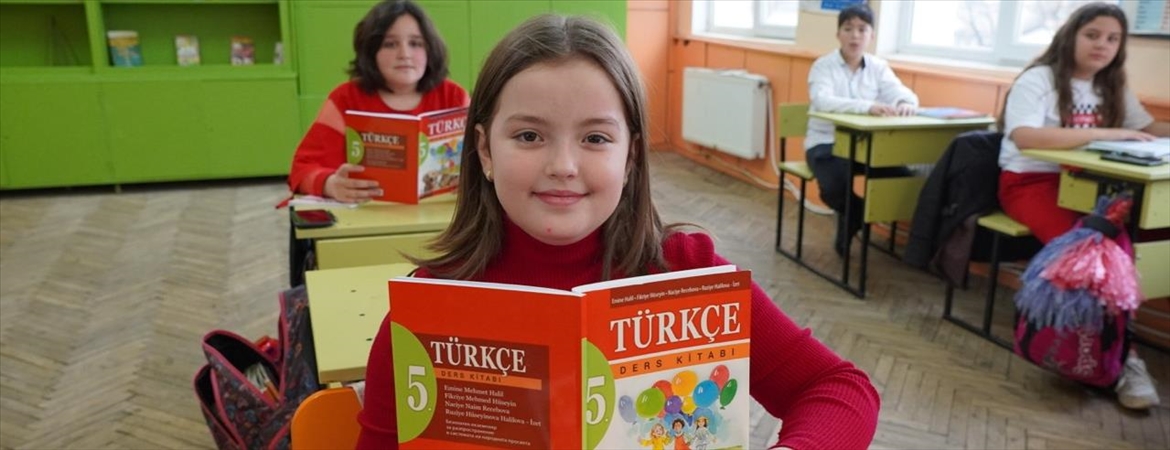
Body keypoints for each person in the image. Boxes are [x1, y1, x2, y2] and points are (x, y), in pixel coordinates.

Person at [356, 14, 880, 450]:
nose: (563, 166)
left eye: (596, 138)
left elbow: (839, 388)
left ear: (631, 156)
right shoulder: (427, 309)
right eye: (530, 135)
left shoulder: (686, 270)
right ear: (485, 151)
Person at [998, 2, 1168, 410]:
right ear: (1070, 35)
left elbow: (1149, 129)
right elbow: (1025, 136)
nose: (1102, 45)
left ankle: (1111, 344)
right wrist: (1110, 133)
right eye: (1092, 35)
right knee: (1094, 255)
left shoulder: (1112, 85)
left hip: (1091, 185)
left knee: (1143, 239)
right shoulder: (1040, 79)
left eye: (1113, 39)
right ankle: (1123, 361)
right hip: (1030, 181)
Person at [287, 0, 469, 203]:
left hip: (440, 213)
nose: (404, 54)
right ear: (371, 51)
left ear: (430, 49)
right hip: (366, 214)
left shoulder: (454, 96)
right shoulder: (344, 99)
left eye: (416, 43)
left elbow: (485, 157)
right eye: (390, 44)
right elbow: (301, 170)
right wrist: (329, 184)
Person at [805, 4, 919, 257]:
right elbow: (822, 101)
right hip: (826, 143)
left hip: (867, 146)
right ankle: (858, 215)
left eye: (862, 29)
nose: (855, 36)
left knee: (901, 177)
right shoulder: (823, 66)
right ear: (838, 34)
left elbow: (903, 93)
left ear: (872, 35)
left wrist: (905, 103)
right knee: (834, 187)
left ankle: (853, 219)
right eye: (848, 29)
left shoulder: (878, 67)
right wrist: (868, 107)